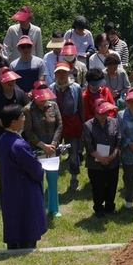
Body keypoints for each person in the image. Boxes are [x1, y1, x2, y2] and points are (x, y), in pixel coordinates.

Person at [0, 104, 46, 250]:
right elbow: (35, 170)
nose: (24, 119)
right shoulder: (18, 145)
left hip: (10, 188)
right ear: (13, 122)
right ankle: (26, 246)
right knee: (26, 220)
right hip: (24, 191)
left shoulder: (3, 139)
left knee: (13, 218)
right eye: (22, 117)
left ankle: (14, 244)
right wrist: (39, 166)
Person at [24, 84, 63, 217]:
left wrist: (53, 144)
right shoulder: (28, 110)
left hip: (52, 149)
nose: (44, 102)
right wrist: (43, 146)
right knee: (38, 180)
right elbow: (28, 132)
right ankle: (38, 208)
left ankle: (54, 209)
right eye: (41, 100)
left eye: (45, 99)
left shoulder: (54, 106)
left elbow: (59, 125)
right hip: (37, 150)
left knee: (53, 180)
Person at [83, 100, 121, 217]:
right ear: (95, 113)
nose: (104, 115)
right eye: (101, 113)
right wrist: (101, 158)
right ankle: (98, 208)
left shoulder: (114, 122)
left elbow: (118, 140)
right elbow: (89, 146)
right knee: (97, 187)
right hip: (95, 164)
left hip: (112, 161)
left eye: (106, 113)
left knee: (112, 185)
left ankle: (110, 206)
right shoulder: (88, 125)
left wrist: (113, 155)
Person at [50, 62, 84, 191]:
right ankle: (53, 180)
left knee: (74, 153)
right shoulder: (51, 88)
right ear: (55, 74)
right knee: (55, 153)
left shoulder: (76, 88)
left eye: (64, 72)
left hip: (72, 123)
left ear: (68, 73)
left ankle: (74, 178)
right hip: (55, 125)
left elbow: (81, 108)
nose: (61, 75)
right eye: (59, 72)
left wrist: (82, 127)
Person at [0, 68, 29, 142]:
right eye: (8, 81)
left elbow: (27, 110)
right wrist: (8, 127)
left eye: (13, 80)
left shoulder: (21, 94)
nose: (11, 82)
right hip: (2, 133)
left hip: (20, 132)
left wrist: (19, 126)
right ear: (1, 82)